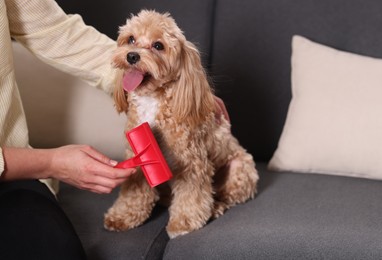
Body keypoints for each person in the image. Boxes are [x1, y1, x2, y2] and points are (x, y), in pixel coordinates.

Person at [0, 0, 229, 259]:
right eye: (131, 41)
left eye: (156, 46)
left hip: (14, 184)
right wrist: (51, 162)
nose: (136, 52)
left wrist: (191, 89)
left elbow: (58, 32)